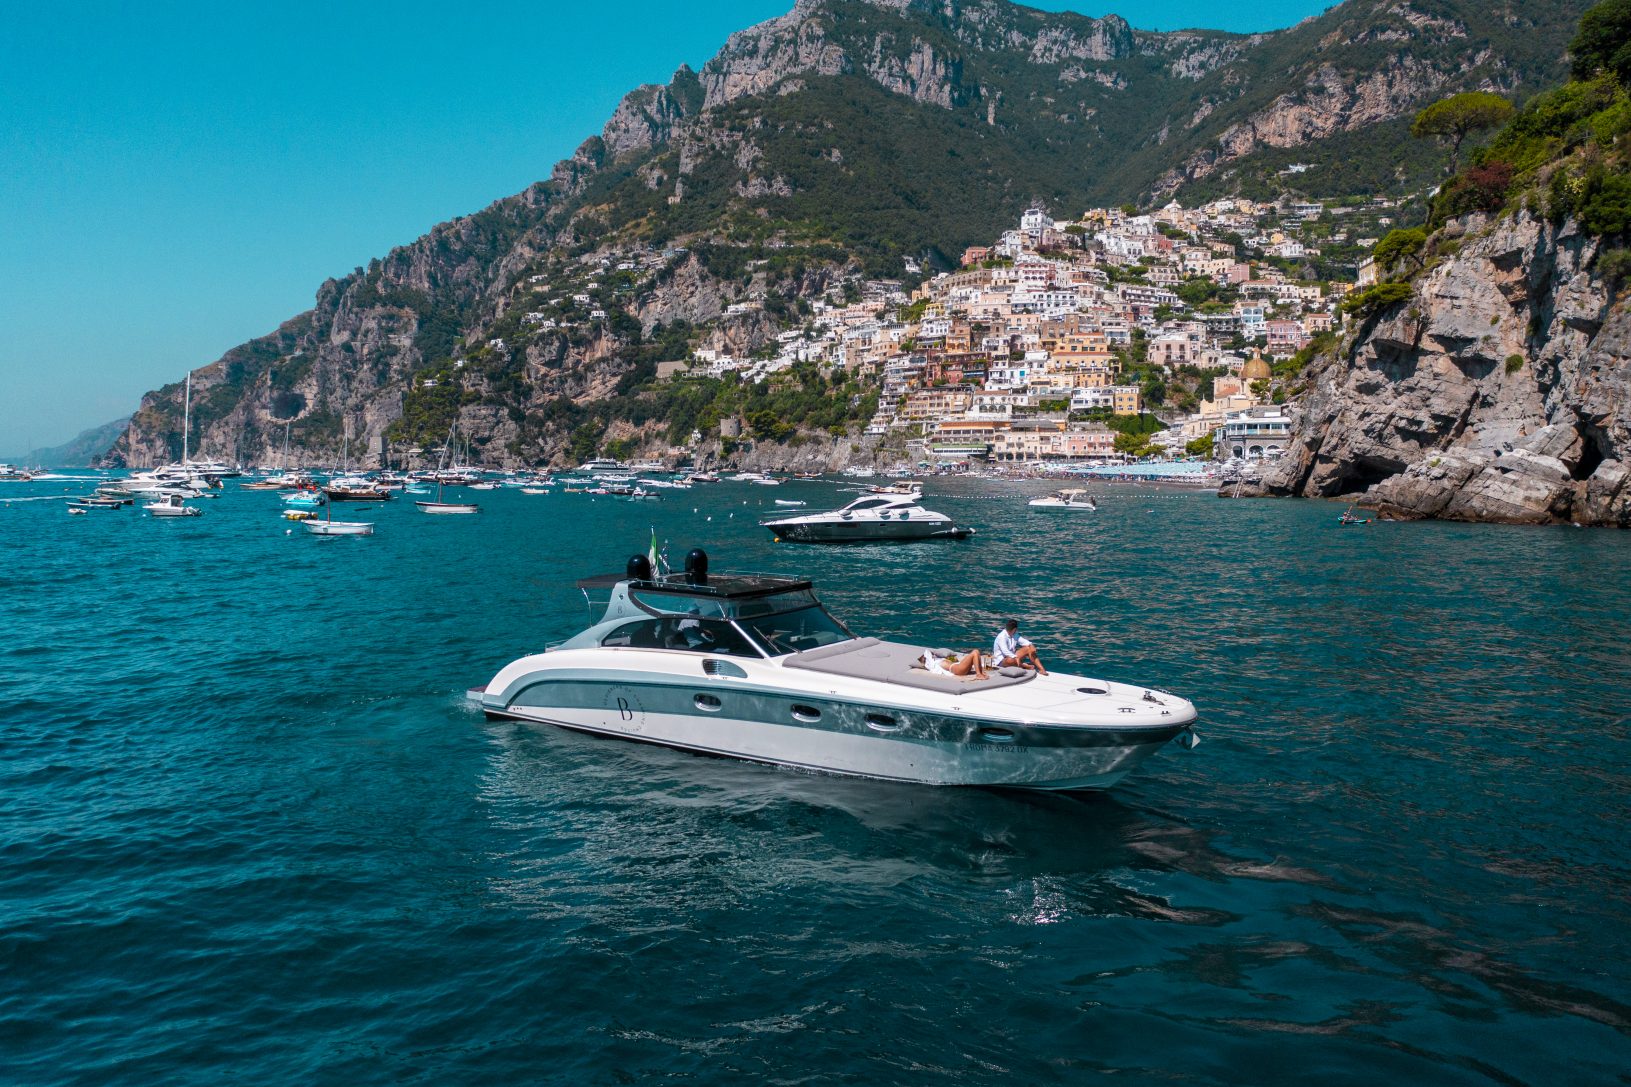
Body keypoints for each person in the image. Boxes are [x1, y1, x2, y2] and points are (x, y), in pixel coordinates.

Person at [921, 647, 988, 679]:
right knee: (975, 652)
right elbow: (928, 654)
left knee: (976, 652)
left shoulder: (942, 659)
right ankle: (979, 674)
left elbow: (955, 658)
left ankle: (980, 673)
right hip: (958, 669)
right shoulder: (937, 662)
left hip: (960, 668)